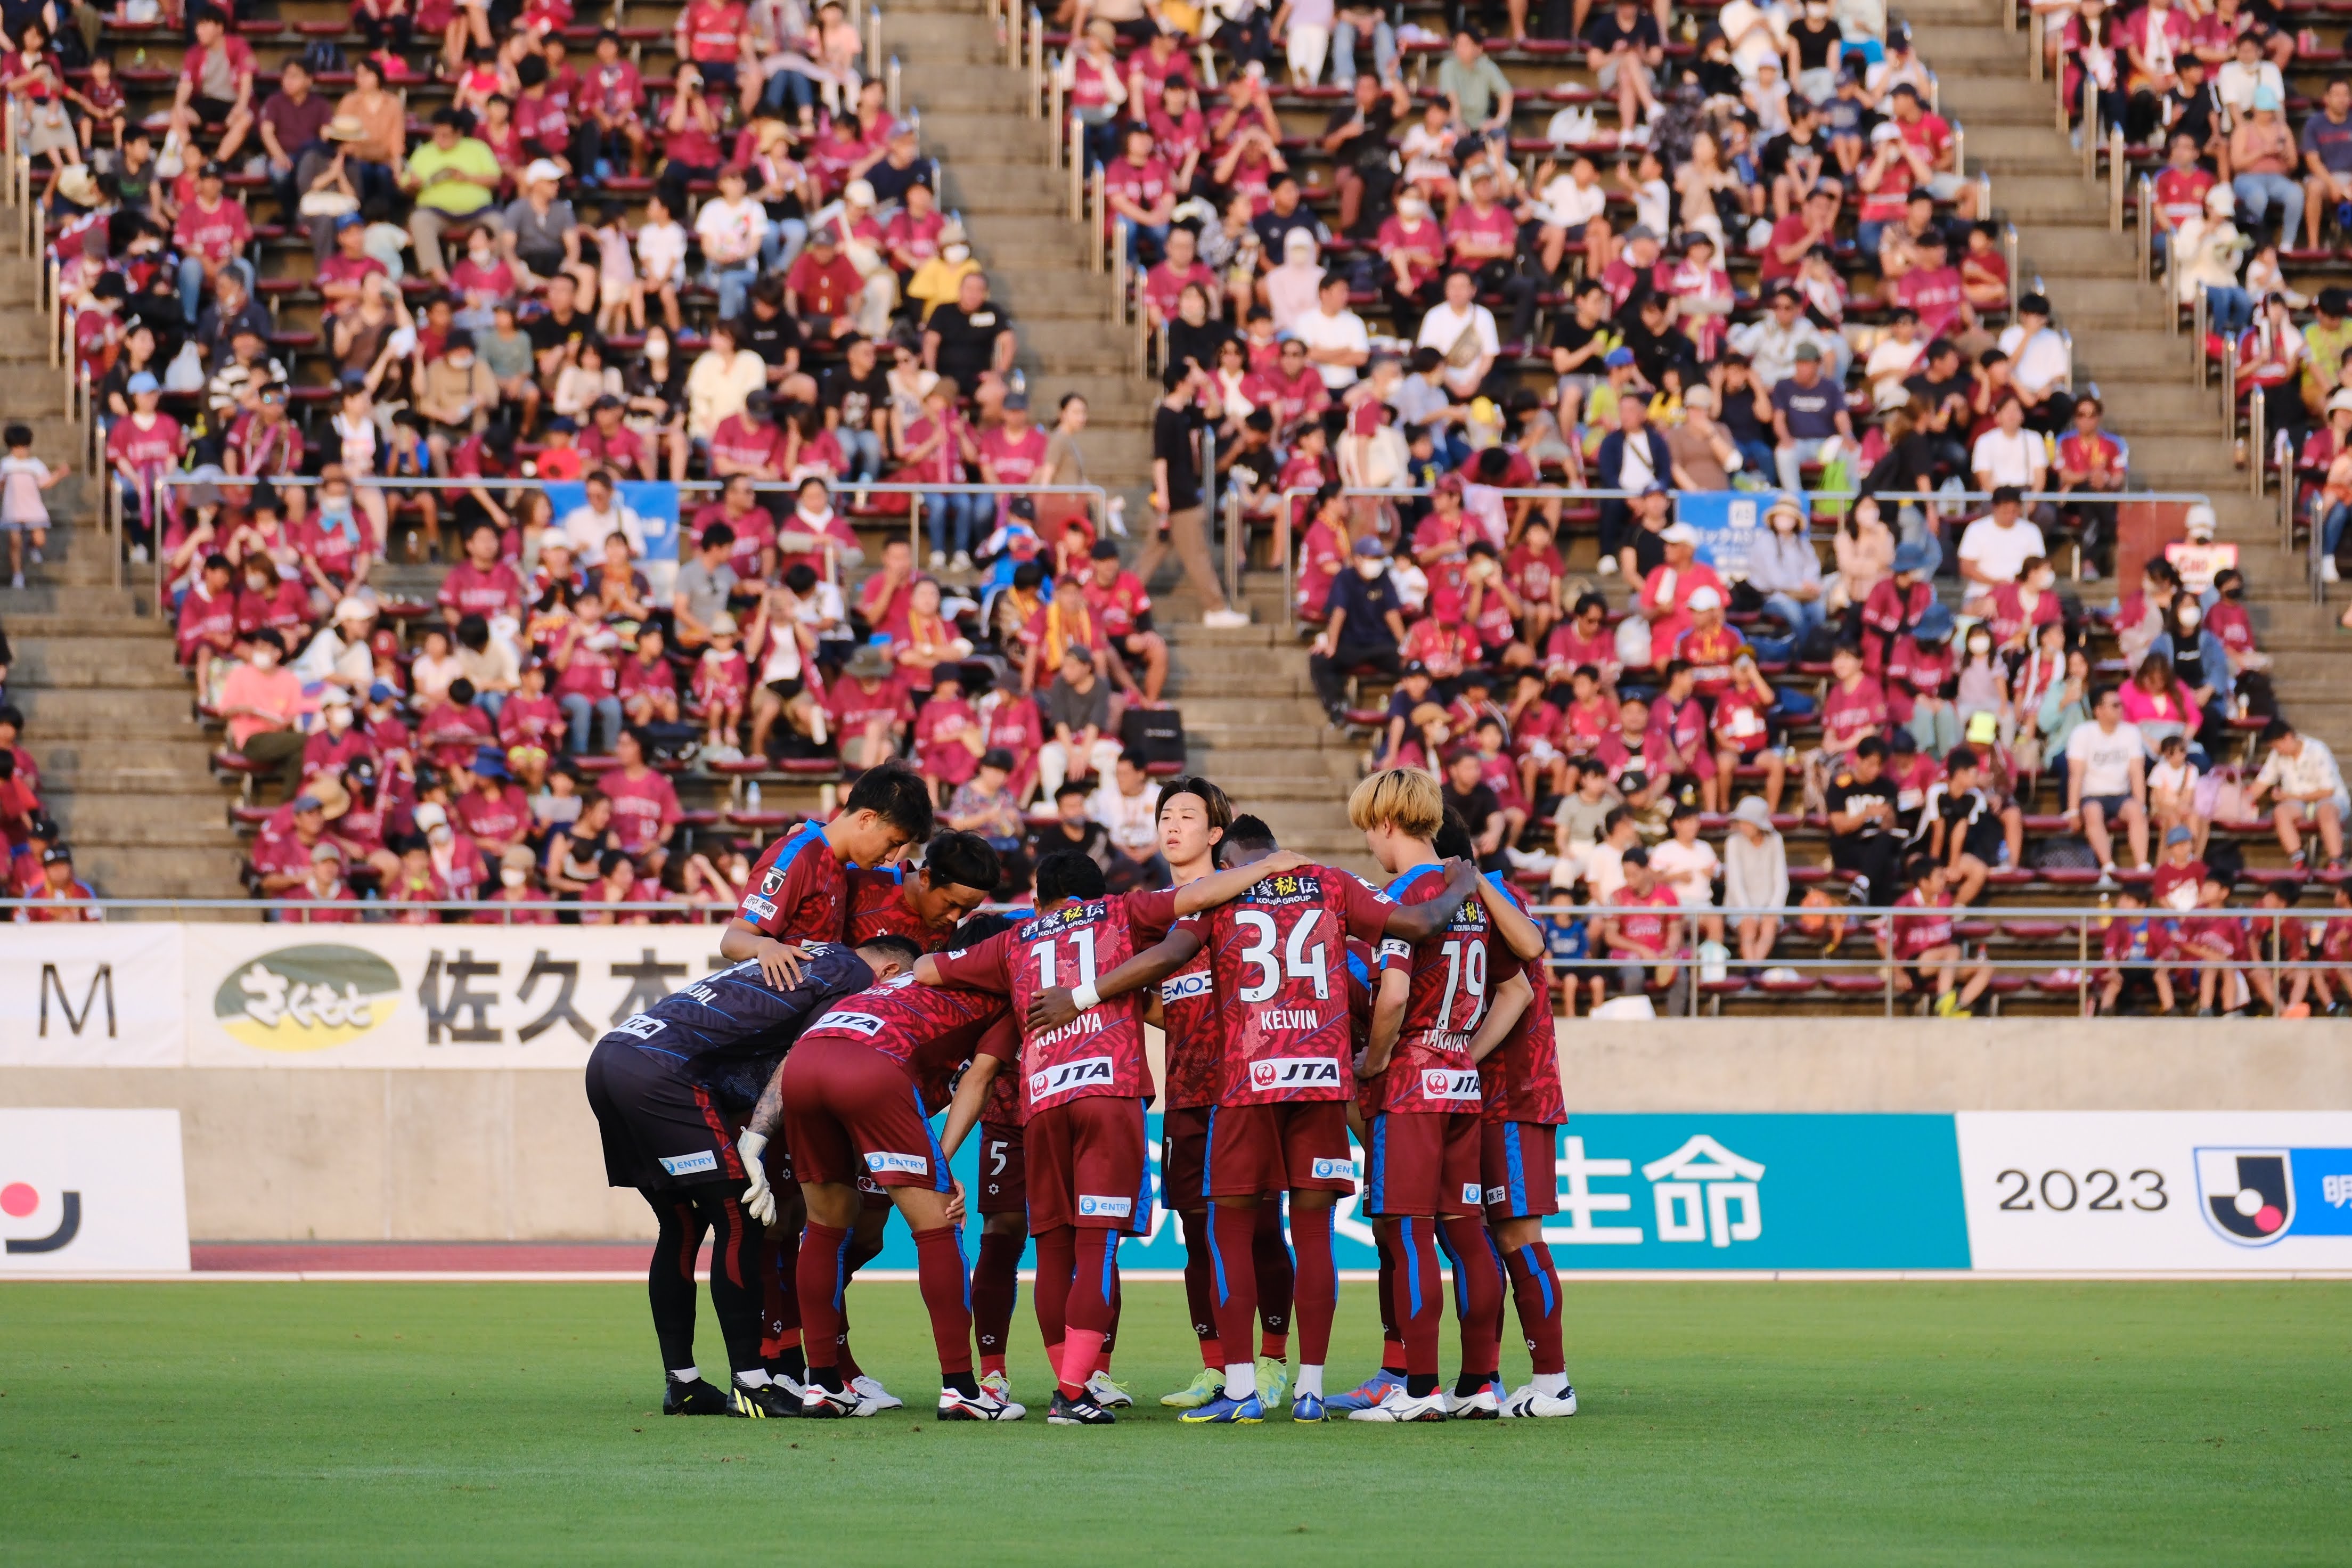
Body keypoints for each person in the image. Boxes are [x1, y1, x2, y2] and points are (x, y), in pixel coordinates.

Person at [919, 847, 1306, 1425]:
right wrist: (1268, 865)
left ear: (1039, 899)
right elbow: (1198, 896)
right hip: (1108, 1091)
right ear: (1095, 891)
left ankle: (1067, 1385)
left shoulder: (1014, 940)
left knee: (1050, 1247)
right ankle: (1074, 1392)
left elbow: (929, 971)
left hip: (1042, 1100)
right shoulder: (1121, 912)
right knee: (1094, 1247)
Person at [583, 929, 922, 1417]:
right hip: (665, 1071)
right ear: (890, 971)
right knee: (741, 1221)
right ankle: (752, 1382)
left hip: (614, 1054)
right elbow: (799, 1057)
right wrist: (756, 1139)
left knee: (681, 1225)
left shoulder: (812, 953)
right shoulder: (854, 976)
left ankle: (683, 1383)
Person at [1341, 768, 1543, 1422]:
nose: (1369, 843)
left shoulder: (1404, 896)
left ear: (1386, 822)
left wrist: (1372, 1061)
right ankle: (1481, 1382)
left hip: (1411, 1085)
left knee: (1406, 1235)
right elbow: (1517, 981)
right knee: (1468, 1233)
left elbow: (1394, 993)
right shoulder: (1478, 895)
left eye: (1368, 829)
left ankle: (1418, 1391)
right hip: (1462, 1079)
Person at [1877, 856, 1992, 1016]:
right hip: (1915, 964)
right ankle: (1944, 1002)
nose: (1943, 881)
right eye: (1939, 877)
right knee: (1952, 951)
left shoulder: (1945, 899)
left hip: (1945, 966)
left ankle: (1957, 1007)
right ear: (1924, 882)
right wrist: (1899, 973)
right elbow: (1882, 941)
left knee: (1986, 967)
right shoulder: (1906, 906)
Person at [2066, 685, 2151, 883]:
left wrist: (2142, 804)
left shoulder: (2131, 732)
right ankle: (2108, 866)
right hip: (2092, 795)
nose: (2120, 709)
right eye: (2114, 705)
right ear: (2099, 711)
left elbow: (2137, 773)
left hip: (2121, 794)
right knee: (2093, 812)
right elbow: (2076, 775)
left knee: (2136, 811)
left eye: (2120, 705)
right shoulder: (2082, 733)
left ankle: (2142, 866)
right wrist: (2072, 810)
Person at [2249, 718, 2349, 872]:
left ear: (2288, 737)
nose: (2278, 751)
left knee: (2326, 810)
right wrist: (2241, 801)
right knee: (2280, 812)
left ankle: (2336, 860)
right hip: (2298, 804)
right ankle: (2299, 859)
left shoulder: (2318, 750)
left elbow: (2327, 791)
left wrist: (2289, 797)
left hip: (2330, 800)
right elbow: (2262, 783)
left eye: (2278, 746)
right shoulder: (2277, 756)